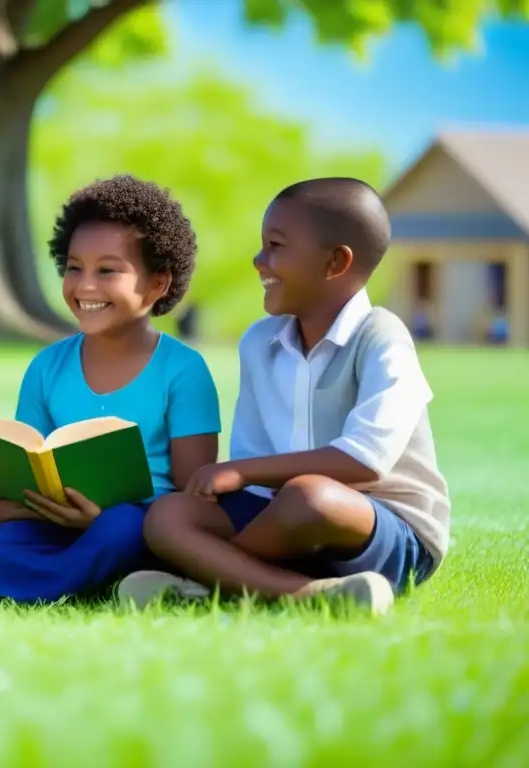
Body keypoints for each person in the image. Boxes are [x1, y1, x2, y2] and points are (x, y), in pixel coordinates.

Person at [123, 177, 450, 616]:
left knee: (310, 497)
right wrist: (243, 477)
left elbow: (365, 461)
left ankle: (209, 582)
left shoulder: (381, 337)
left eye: (276, 245)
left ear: (335, 262)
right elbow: (257, 473)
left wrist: (240, 471)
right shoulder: (259, 342)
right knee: (168, 516)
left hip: (381, 527)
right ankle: (308, 595)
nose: (260, 261)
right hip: (280, 517)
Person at [0, 174, 222, 604]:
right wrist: (18, 498)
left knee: (122, 529)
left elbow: (191, 490)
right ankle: (94, 582)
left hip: (137, 524)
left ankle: (21, 584)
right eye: (74, 268)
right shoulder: (47, 366)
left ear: (158, 283)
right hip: (51, 521)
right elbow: (28, 459)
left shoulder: (183, 369)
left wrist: (101, 515)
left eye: (107, 270)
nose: (85, 286)